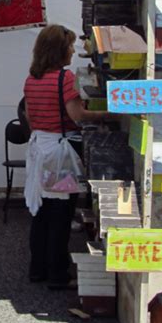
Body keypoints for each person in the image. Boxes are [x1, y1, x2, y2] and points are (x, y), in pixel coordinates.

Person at [23, 24, 107, 290]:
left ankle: (37, 269)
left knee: (42, 214)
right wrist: (111, 114)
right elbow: (77, 115)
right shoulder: (65, 78)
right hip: (60, 155)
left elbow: (29, 116)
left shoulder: (31, 78)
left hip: (40, 149)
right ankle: (58, 274)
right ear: (60, 50)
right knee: (61, 213)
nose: (73, 50)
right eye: (70, 46)